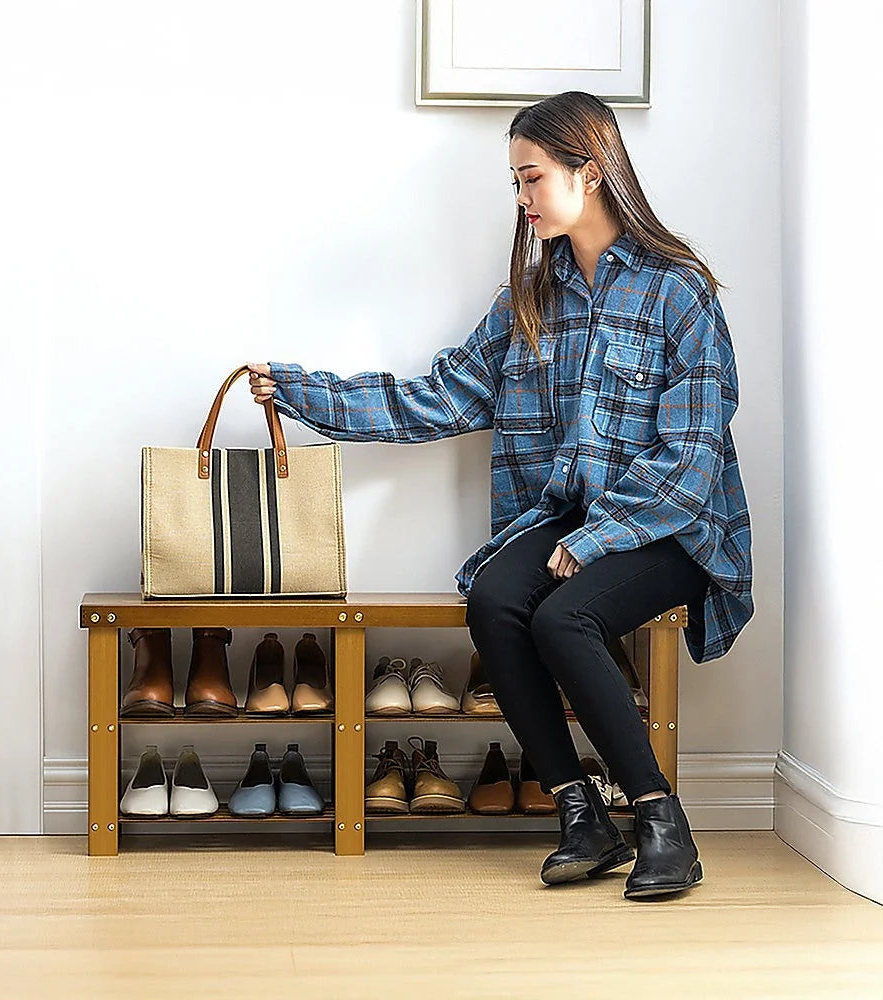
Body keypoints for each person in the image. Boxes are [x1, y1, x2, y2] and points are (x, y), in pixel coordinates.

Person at [246, 91, 754, 901]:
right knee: (491, 595)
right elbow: (436, 398)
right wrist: (304, 393)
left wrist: (596, 540)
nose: (520, 199)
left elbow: (689, 459)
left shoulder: (677, 293)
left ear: (589, 174)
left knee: (564, 614)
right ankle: (580, 814)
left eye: (531, 178)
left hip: (674, 530)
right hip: (565, 520)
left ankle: (662, 822)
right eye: (515, 183)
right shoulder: (530, 299)